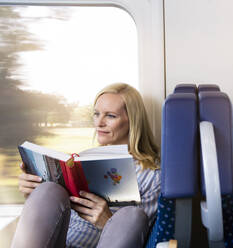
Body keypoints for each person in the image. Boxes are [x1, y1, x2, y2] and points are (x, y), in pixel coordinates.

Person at [12, 83, 161, 248]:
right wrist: (33, 194)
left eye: (110, 116)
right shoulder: (83, 161)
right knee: (48, 190)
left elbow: (140, 237)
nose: (99, 123)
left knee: (132, 215)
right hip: (59, 242)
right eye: (96, 114)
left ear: (133, 121)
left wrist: (107, 221)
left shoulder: (152, 176)